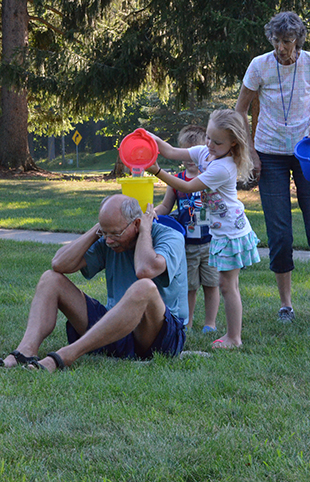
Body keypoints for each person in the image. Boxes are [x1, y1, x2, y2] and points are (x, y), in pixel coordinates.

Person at [0, 195, 188, 372]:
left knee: (144, 287)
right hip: (115, 330)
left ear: (137, 224)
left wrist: (145, 231)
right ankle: (25, 351)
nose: (109, 240)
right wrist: (97, 230)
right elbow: (59, 264)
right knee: (50, 279)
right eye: (104, 233)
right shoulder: (109, 241)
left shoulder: (170, 237)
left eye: (115, 233)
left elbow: (145, 270)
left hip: (159, 336)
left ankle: (66, 355)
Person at [235, 11, 310, 323]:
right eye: (276, 40)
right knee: (280, 232)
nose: (281, 47)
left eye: (287, 41)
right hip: (269, 153)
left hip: (308, 152)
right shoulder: (259, 65)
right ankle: (286, 305)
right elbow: (240, 111)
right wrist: (251, 153)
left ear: (297, 40)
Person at [147, 109, 261, 348]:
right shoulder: (205, 153)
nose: (209, 144)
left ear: (233, 143)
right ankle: (233, 335)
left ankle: (233, 338)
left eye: (217, 141)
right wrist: (149, 138)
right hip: (222, 231)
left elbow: (187, 187)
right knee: (229, 285)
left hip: (231, 232)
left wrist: (158, 171)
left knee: (227, 286)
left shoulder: (224, 167)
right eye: (208, 137)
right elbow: (169, 151)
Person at [155, 125, 220, 333]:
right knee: (189, 287)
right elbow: (166, 206)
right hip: (187, 245)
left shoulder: (211, 176)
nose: (190, 159)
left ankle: (210, 323)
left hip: (211, 242)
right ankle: (188, 322)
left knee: (212, 284)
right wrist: (152, 214)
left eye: (195, 152)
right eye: (186, 152)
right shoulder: (177, 181)